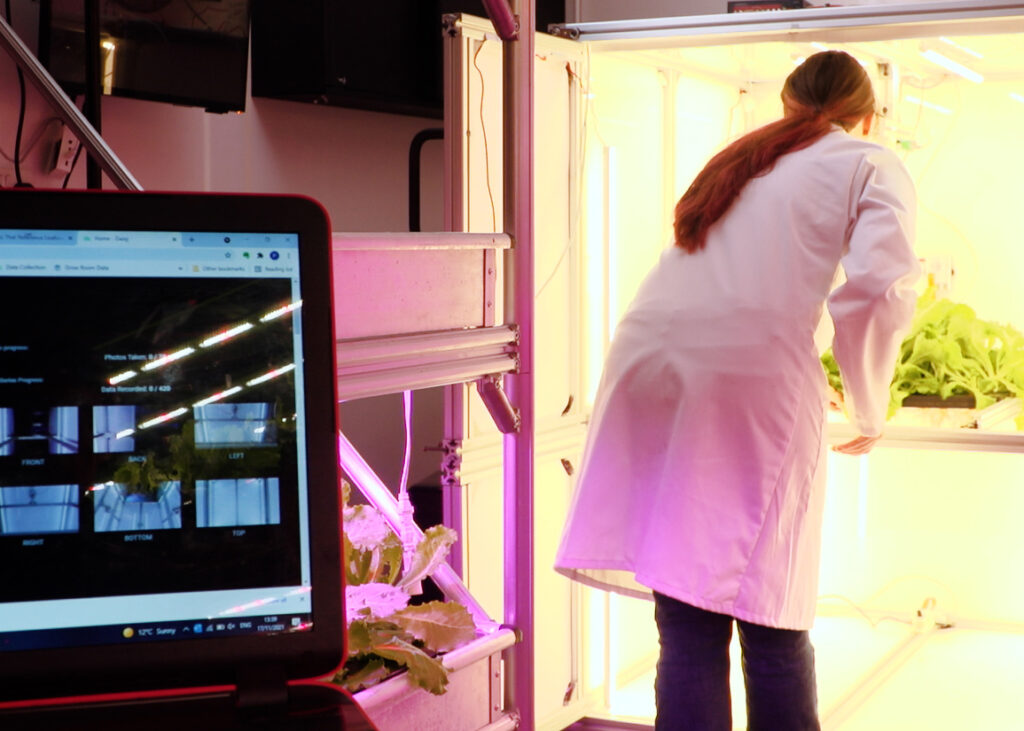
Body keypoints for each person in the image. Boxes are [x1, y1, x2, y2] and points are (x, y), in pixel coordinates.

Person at [554, 50, 920, 730]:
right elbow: (884, 288)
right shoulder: (869, 160)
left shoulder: (745, 157)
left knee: (689, 613)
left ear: (786, 107)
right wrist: (868, 402)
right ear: (868, 116)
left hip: (647, 362)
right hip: (746, 378)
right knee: (771, 618)